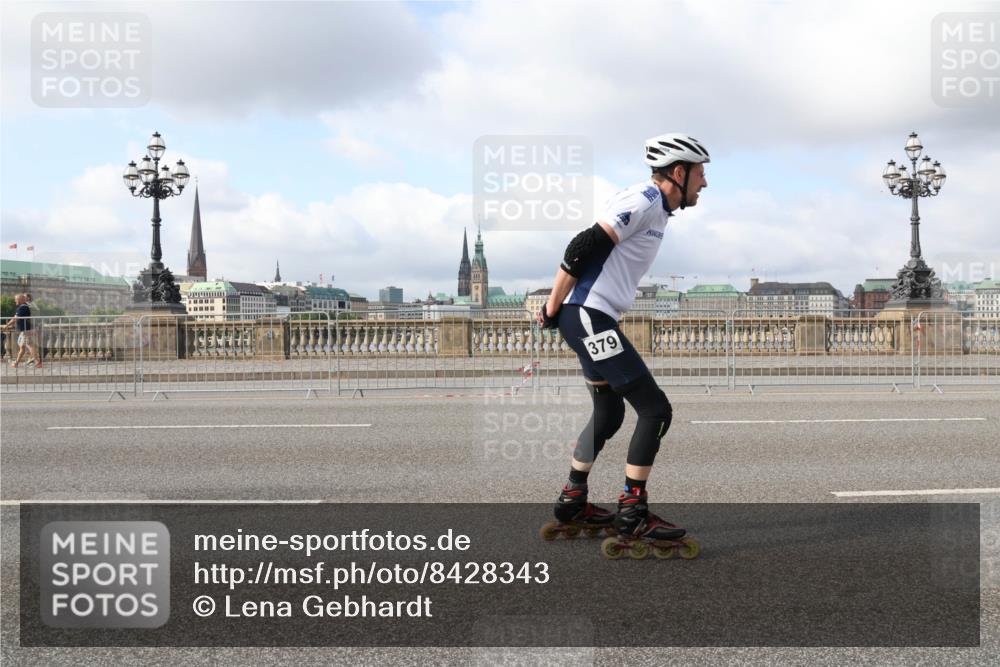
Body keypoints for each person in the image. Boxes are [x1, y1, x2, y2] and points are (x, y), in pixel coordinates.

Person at [537, 133, 710, 546]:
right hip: (589, 316)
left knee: (609, 411)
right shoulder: (645, 201)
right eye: (701, 174)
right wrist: (552, 305)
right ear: (679, 172)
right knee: (655, 410)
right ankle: (633, 512)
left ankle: (572, 499)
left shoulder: (658, 209)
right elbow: (581, 246)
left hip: (588, 316)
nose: (705, 183)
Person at [3, 294, 42, 368]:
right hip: (26, 330)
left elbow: (15, 318)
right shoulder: (23, 307)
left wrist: (6, 326)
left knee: (29, 345)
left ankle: (38, 362)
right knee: (22, 347)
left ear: (20, 300)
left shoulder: (23, 308)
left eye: (16, 299)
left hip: (27, 330)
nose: (15, 301)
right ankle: (16, 363)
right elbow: (17, 318)